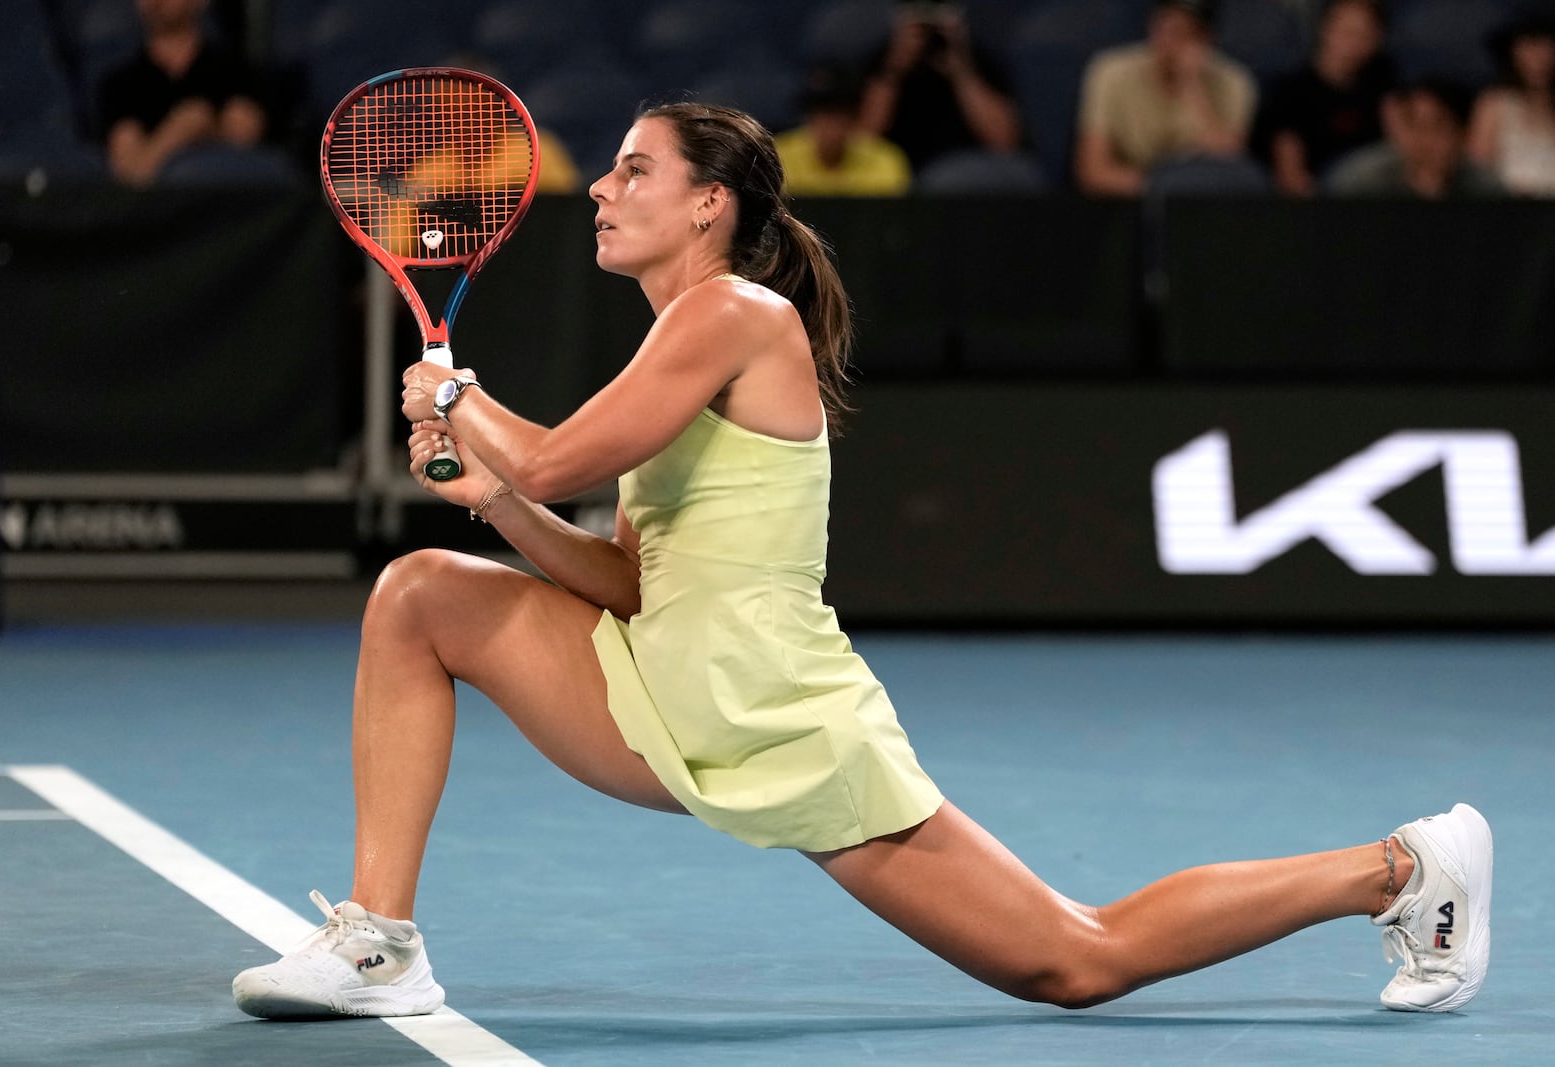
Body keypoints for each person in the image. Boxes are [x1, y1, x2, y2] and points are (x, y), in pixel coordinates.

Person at [230, 101, 1493, 1021]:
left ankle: (1398, 870)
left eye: (632, 171)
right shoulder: (681, 329)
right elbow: (623, 576)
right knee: (422, 593)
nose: (602, 191)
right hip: (660, 674)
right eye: (606, 174)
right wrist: (496, 504)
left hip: (777, 710)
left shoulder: (734, 311)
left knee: (1074, 958)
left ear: (708, 203)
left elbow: (555, 455)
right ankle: (379, 941)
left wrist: (462, 404)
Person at [1076, 0, 1259, 196]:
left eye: (1184, 34)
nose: (1168, 41)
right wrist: (1163, 188)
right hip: (1129, 201)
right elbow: (1093, 171)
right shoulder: (1110, 72)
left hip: (1203, 201)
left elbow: (1229, 169)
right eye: (1163, 28)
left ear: (1206, 40)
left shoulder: (1234, 82)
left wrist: (1191, 86)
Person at [96, 0, 268, 186]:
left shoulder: (236, 73)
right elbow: (129, 169)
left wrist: (197, 128)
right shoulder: (121, 84)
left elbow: (243, 138)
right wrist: (184, 129)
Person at [1251, 0, 1397, 197]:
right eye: (1347, 32)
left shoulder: (1385, 81)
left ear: (1378, 40)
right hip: (1323, 200)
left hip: (1379, 197)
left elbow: (1401, 147)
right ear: (1325, 29)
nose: (1354, 43)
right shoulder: (1292, 92)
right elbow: (1290, 173)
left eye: (1365, 34)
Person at [858, 0, 1024, 173]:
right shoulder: (883, 60)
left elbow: (1005, 142)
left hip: (967, 175)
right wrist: (895, 69)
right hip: (897, 174)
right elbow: (862, 142)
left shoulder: (976, 59)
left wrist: (962, 73)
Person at [1328, 76, 1504, 198]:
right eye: (1413, 125)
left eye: (1436, 127)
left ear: (1461, 133)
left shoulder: (1484, 189)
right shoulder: (1362, 181)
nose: (1423, 139)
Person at [774, 62, 913, 196]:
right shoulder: (779, 157)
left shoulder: (885, 160)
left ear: (853, 118)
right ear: (809, 116)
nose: (831, 125)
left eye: (840, 114)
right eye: (824, 113)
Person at [1468, 11, 1555, 196]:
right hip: (1510, 212)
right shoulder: (1494, 103)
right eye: (1530, 46)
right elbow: (1478, 168)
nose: (1539, 57)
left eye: (1547, 46)